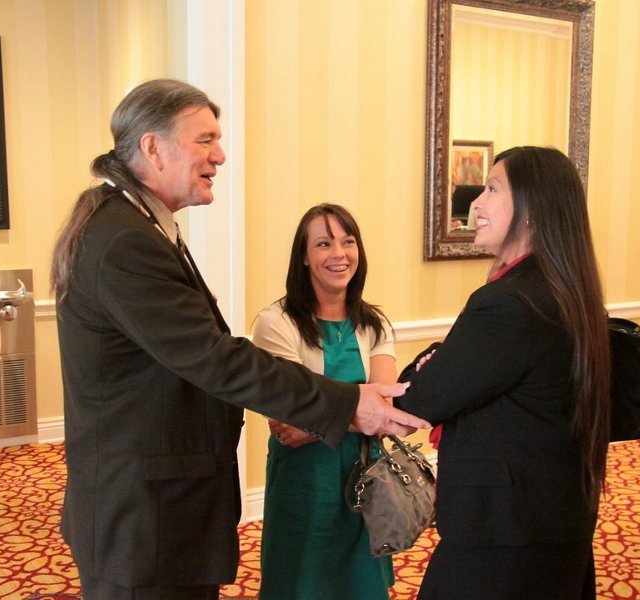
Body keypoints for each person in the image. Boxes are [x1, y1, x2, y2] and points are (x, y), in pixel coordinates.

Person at [49, 79, 428, 600]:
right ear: (153, 147)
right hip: (143, 514)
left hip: (162, 505)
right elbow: (213, 358)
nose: (220, 156)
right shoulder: (125, 240)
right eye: (205, 140)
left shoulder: (139, 226)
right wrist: (347, 403)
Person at [395, 146, 611, 599]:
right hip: (552, 513)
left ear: (532, 209)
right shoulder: (563, 287)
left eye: (492, 189)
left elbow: (423, 397)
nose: (476, 202)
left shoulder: (510, 301)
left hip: (505, 532)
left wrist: (433, 363)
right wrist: (445, 359)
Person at [253, 204, 397, 599]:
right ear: (303, 256)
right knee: (300, 583)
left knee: (361, 586)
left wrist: (320, 420)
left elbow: (384, 410)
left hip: (365, 476)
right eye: (323, 244)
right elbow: (287, 423)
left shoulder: (375, 324)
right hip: (304, 479)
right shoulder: (276, 323)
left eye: (348, 242)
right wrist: (363, 410)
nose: (339, 254)